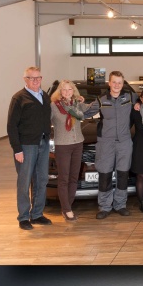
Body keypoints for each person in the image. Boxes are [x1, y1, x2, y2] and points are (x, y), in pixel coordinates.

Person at [94, 71, 143, 220]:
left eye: (119, 82)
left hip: (124, 142)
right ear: (109, 83)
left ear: (123, 84)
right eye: (114, 82)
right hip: (106, 143)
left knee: (123, 174)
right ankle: (104, 207)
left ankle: (120, 205)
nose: (117, 85)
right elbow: (86, 111)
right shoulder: (101, 99)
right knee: (105, 174)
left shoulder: (130, 97)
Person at [7, 66, 53, 230]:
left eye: (38, 77)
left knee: (42, 179)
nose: (35, 81)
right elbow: (11, 126)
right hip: (26, 146)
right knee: (24, 181)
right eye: (31, 78)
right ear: (25, 79)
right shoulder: (19, 98)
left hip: (43, 143)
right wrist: (17, 149)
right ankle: (24, 217)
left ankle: (37, 214)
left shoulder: (44, 96)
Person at [50, 80, 98, 221]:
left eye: (69, 89)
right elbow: (45, 122)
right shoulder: (54, 106)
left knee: (74, 177)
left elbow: (91, 108)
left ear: (73, 91)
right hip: (62, 145)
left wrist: (102, 100)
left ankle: (67, 207)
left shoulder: (77, 104)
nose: (67, 92)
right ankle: (67, 209)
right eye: (64, 89)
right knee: (64, 178)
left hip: (78, 144)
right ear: (60, 91)